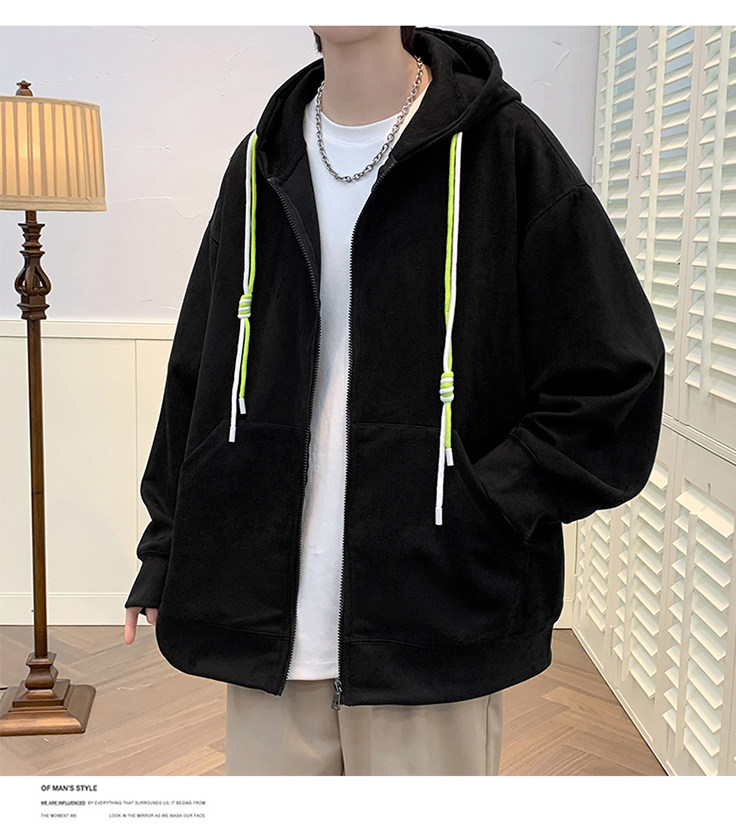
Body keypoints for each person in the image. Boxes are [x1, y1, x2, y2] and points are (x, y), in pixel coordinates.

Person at [123, 25, 665, 776]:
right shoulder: (260, 162)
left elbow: (615, 371)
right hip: (265, 615)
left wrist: (491, 500)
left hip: (433, 616)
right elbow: (201, 372)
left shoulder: (505, 148)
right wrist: (167, 545)